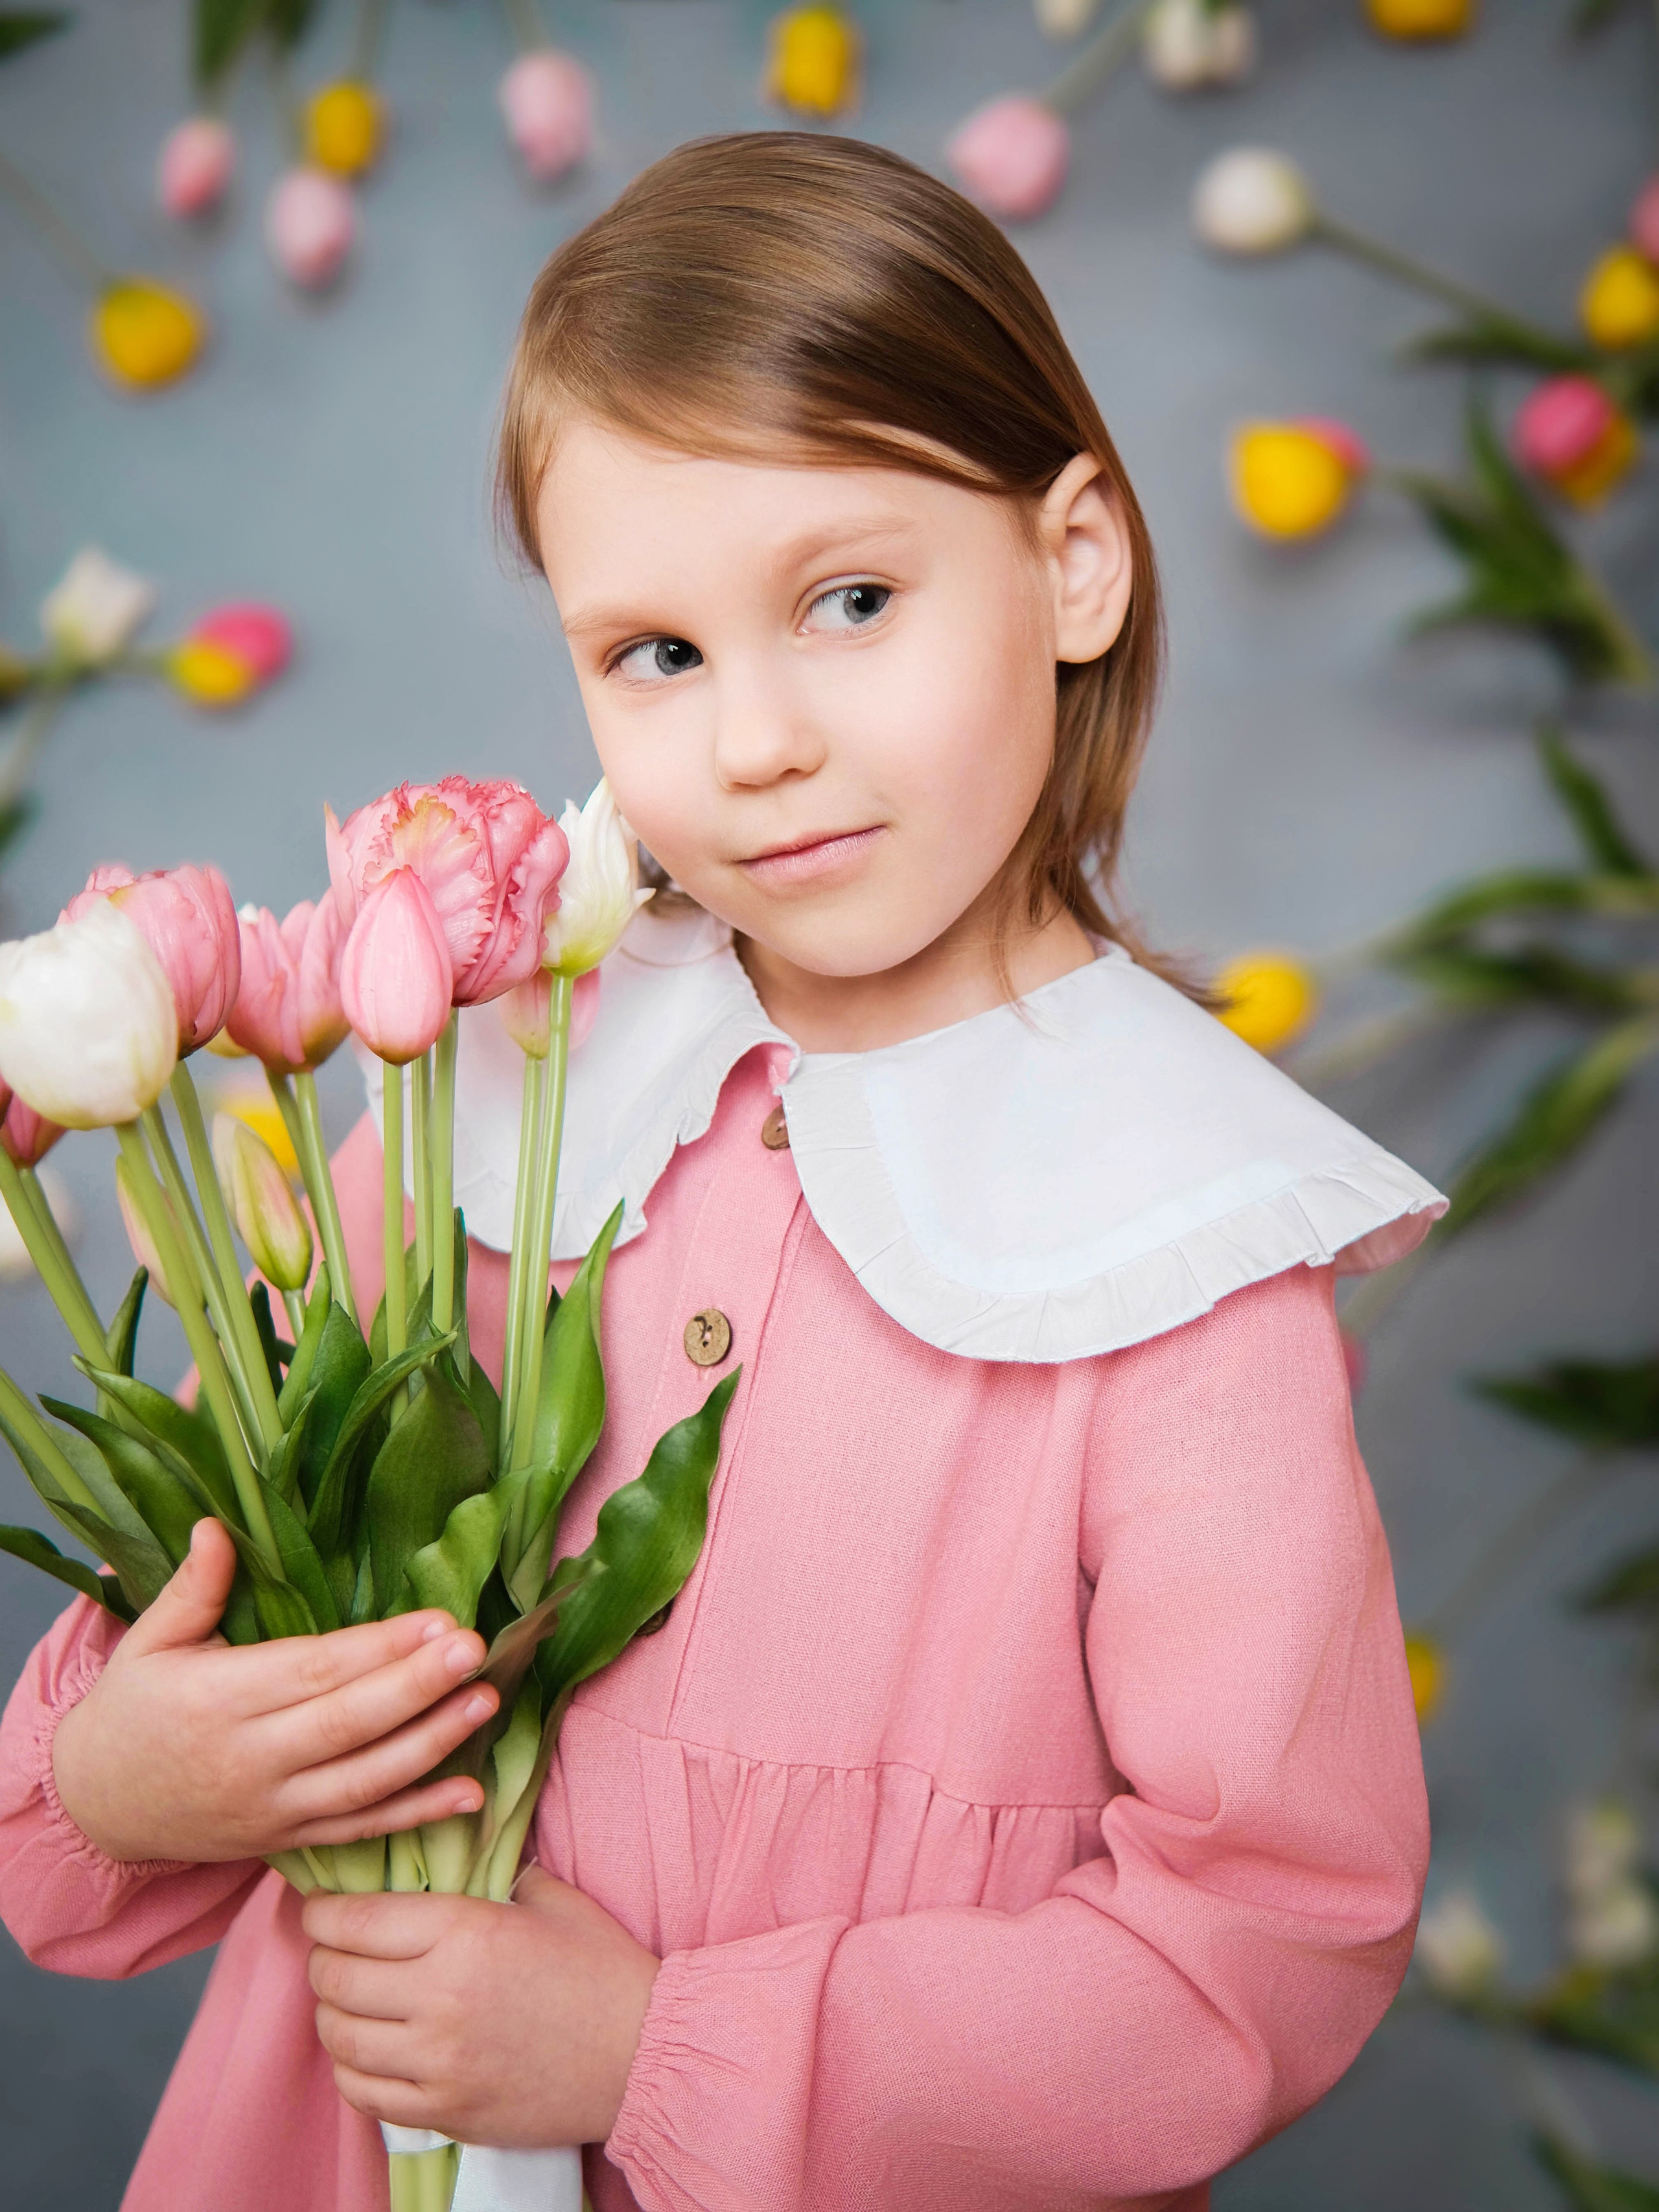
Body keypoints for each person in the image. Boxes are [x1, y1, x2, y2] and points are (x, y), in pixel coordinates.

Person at [0, 134, 1439, 2212]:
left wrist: (647, 2048)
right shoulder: (488, 1088)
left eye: (849, 601)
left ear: (1075, 565)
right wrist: (126, 1777)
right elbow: (206, 1672)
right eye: (654, 653)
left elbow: (1267, 1950)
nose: (749, 739)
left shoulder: (1182, 1249)